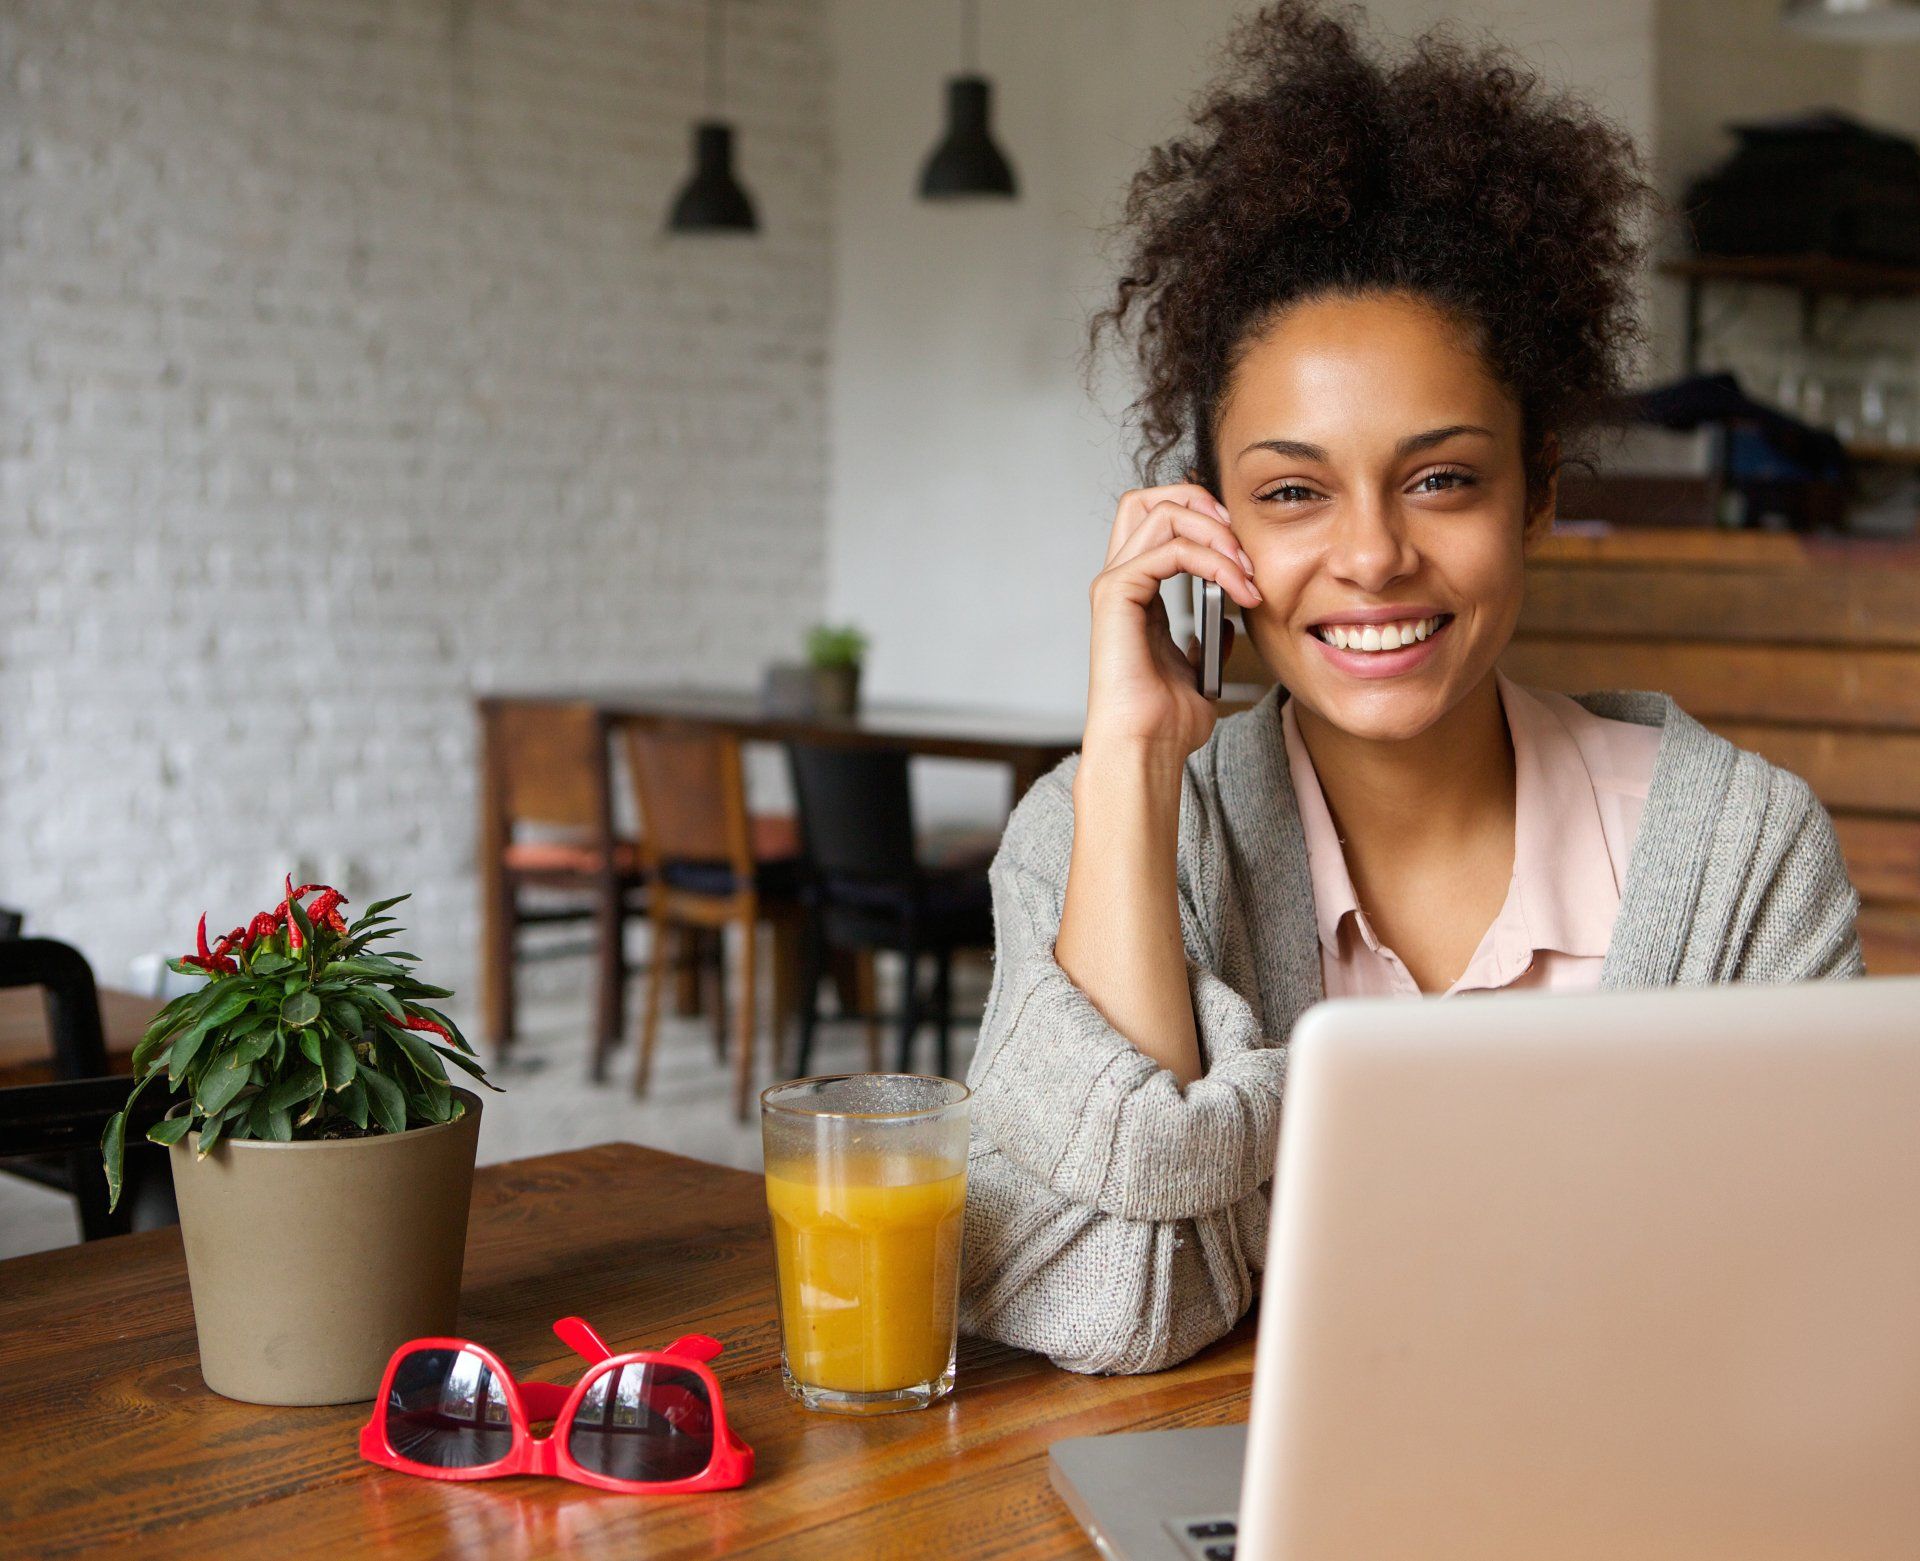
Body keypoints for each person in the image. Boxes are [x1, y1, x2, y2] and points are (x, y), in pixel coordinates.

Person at [958, 0, 1863, 1376]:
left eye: (1441, 477)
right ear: (1213, 524)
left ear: (1539, 487)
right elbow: (1108, 1305)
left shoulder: (1745, 857)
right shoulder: (1098, 834)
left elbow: (1819, 1332)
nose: (1374, 554)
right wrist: (1137, 770)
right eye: (1292, 492)